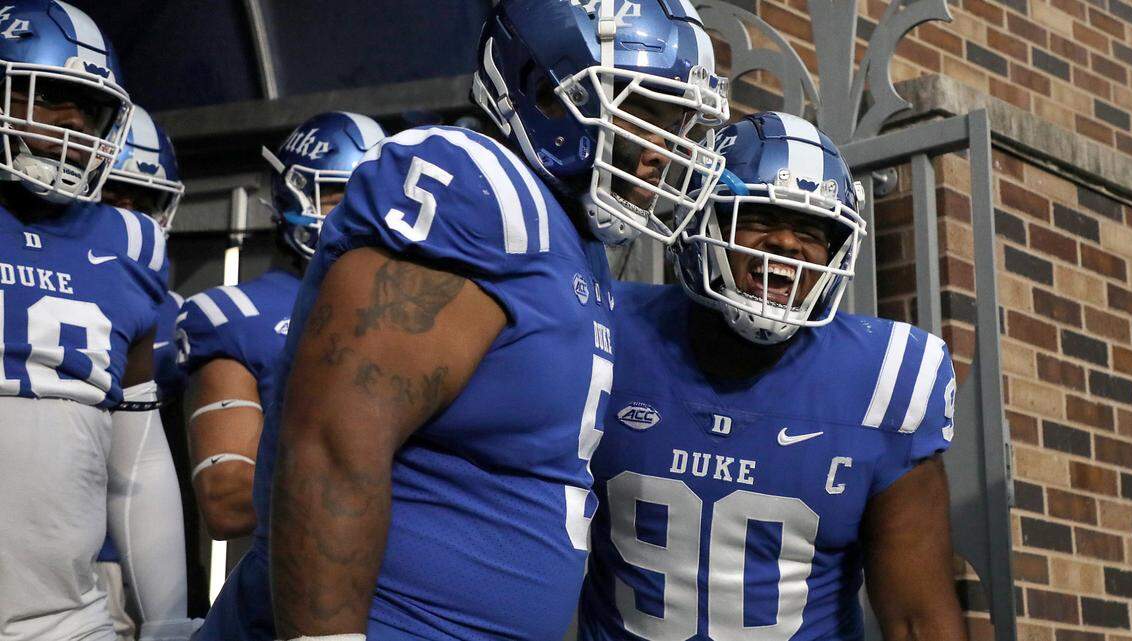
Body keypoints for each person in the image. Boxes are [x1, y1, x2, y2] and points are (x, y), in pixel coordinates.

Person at [195, 1, 728, 640]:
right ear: (542, 92)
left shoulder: (568, 235)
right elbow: (335, 441)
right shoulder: (477, 188)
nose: (662, 152)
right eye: (647, 115)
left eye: (681, 125)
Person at [578, 112, 967, 641]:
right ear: (700, 222)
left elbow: (918, 619)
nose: (787, 244)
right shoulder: (606, 329)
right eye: (759, 218)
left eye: (811, 230)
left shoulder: (887, 379)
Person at [0, 2, 193, 641]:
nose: (72, 122)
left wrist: (164, 622)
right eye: (50, 95)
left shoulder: (132, 245)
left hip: (66, 620)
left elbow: (135, 463)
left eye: (88, 108)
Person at [177, 111, 385, 541]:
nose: (362, 213)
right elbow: (225, 498)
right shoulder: (238, 316)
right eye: (339, 195)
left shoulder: (420, 306)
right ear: (294, 197)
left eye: (374, 197)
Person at [96, 104, 189, 641]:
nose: (128, 218)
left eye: (143, 202)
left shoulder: (173, 316)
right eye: (113, 196)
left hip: (120, 558)